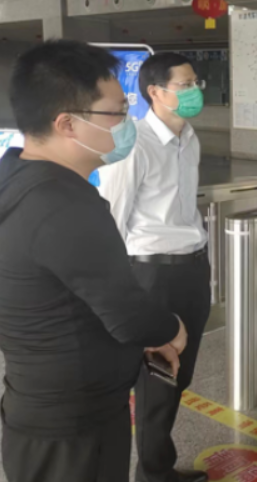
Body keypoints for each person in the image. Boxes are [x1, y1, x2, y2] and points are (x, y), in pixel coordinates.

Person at [0, 40, 187, 482]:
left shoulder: (17, 178)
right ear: (67, 123)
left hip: (37, 410)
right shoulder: (64, 206)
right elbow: (127, 314)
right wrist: (171, 330)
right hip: (76, 430)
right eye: (117, 112)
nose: (127, 123)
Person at [98, 52, 210, 482]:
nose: (194, 91)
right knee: (158, 379)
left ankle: (157, 465)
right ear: (155, 92)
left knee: (181, 375)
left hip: (193, 269)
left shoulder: (190, 139)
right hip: (154, 275)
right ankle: (152, 474)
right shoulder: (133, 145)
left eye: (196, 83)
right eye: (185, 85)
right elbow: (112, 219)